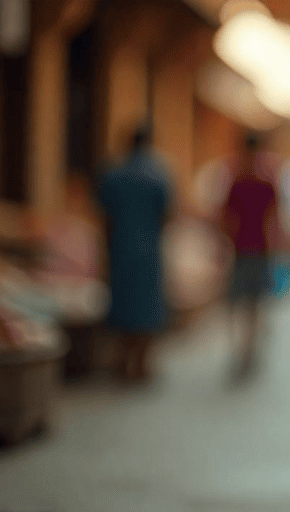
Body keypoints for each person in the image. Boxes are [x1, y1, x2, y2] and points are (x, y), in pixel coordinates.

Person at [97, 126, 172, 384]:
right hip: (148, 250)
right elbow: (167, 214)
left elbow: (104, 215)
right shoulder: (159, 175)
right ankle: (142, 366)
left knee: (122, 305)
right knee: (146, 308)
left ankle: (122, 363)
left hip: (120, 248)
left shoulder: (114, 174)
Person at [221, 132, 280, 380]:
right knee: (253, 306)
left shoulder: (237, 182)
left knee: (241, 305)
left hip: (243, 251)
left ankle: (243, 352)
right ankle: (249, 352)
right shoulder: (265, 184)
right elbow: (275, 223)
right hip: (258, 251)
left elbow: (225, 219)